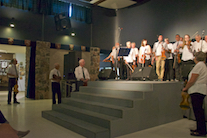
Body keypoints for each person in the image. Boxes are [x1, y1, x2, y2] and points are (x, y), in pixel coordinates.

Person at [182, 51, 207, 137]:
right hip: (200, 90)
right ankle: (200, 128)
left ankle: (201, 131)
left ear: (195, 58)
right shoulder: (202, 65)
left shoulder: (199, 65)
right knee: (199, 111)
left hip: (197, 90)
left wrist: (186, 88)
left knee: (198, 111)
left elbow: (192, 80)